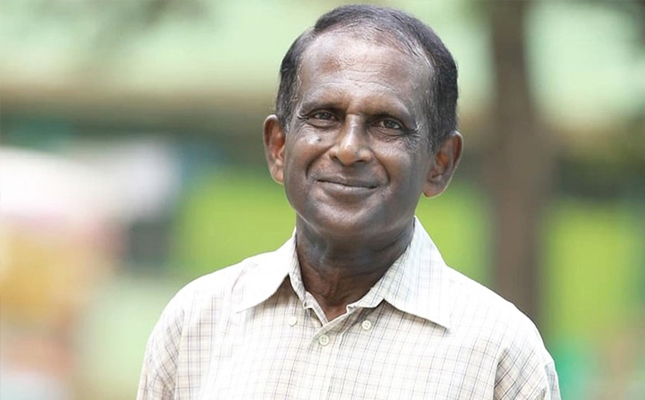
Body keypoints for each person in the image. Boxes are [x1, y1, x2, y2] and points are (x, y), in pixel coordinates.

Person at [137, 4, 560, 399]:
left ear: (440, 163)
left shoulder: (499, 354)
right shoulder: (198, 323)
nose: (348, 149)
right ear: (279, 147)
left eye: (387, 124)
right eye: (324, 116)